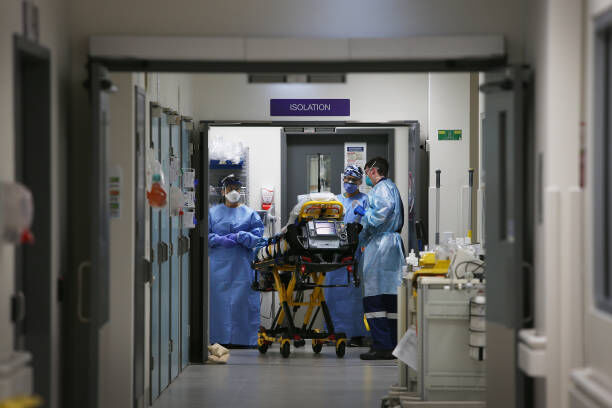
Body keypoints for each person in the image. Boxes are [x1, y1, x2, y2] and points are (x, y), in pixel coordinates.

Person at [354, 157, 406, 360]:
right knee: (390, 296)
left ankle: (382, 345)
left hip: (381, 247)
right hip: (389, 246)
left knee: (375, 297)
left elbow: (379, 216)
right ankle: (391, 344)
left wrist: (364, 213)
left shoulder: (381, 189)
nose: (366, 177)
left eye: (367, 172)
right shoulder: (391, 187)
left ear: (374, 171)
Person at [208, 174, 264, 347]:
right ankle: (218, 338)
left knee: (242, 303)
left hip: (242, 267)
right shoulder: (212, 212)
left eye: (236, 189)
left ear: (241, 191)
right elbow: (204, 235)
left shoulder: (250, 214)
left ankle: (244, 340)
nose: (233, 192)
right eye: (230, 188)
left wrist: (242, 236)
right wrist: (218, 239)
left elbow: (258, 238)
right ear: (223, 191)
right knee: (219, 304)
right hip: (218, 267)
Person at [324, 165, 369, 347]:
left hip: (354, 254)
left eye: (354, 180)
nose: (350, 183)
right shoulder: (335, 201)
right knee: (332, 294)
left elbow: (368, 224)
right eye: (347, 179)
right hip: (334, 255)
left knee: (353, 295)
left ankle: (356, 334)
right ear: (343, 180)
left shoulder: (365, 200)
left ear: (360, 182)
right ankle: (333, 333)